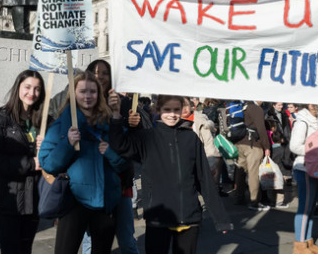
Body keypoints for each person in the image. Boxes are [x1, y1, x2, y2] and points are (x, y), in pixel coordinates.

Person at [110, 95, 232, 254]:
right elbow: (119, 145)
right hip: (158, 217)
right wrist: (116, 117)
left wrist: (220, 218)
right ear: (159, 110)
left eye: (176, 110)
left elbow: (204, 179)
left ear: (182, 110)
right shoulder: (147, 137)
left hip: (188, 216)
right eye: (167, 109)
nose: (172, 114)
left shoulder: (191, 137)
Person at [39, 72, 127, 254]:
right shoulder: (62, 124)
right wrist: (67, 144)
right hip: (73, 202)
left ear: (99, 94)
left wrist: (110, 153)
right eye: (83, 91)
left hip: (106, 202)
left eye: (92, 91)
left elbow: (125, 163)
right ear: (73, 94)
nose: (88, 96)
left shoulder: (110, 124)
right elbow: (47, 164)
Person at [0, 70, 46, 254]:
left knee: (26, 249)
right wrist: (30, 164)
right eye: (27, 87)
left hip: (34, 198)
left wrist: (52, 144)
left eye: (37, 89)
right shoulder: (3, 118)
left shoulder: (44, 121)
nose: (31, 93)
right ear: (18, 88)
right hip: (8, 199)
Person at [82, 59, 140, 254]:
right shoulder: (82, 102)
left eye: (105, 72)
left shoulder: (124, 104)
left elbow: (136, 142)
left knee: (126, 240)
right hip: (90, 184)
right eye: (96, 72)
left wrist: (134, 122)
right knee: (90, 242)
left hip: (120, 181)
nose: (100, 76)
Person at [289, 104, 318, 254]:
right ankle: (299, 245)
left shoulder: (316, 119)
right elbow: (295, 146)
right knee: (305, 208)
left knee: (310, 206)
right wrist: (317, 150)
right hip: (304, 167)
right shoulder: (302, 120)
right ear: (310, 104)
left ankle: (308, 241)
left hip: (314, 167)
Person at [234, 100, 271, 210]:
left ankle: (238, 197)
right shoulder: (255, 108)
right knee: (254, 173)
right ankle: (254, 201)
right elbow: (261, 128)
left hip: (239, 143)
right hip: (253, 144)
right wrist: (266, 146)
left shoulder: (241, 106)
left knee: (240, 171)